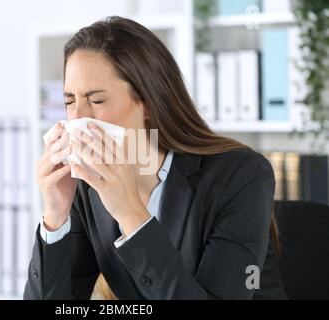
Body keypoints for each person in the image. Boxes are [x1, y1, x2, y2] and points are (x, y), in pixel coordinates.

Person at [24, 16, 287, 300]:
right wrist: (55, 216)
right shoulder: (88, 186)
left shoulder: (241, 175)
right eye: (69, 101)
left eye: (97, 100)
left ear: (148, 103)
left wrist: (130, 213)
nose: (77, 118)